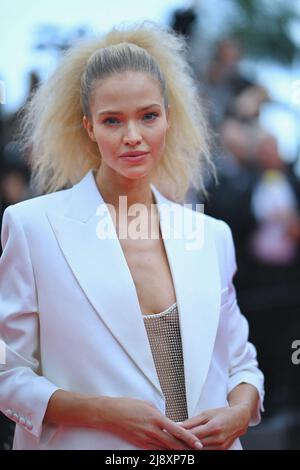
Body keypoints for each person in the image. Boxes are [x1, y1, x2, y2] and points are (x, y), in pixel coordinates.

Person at [0, 21, 264, 450]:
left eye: (148, 116)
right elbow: (7, 373)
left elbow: (241, 363)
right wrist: (104, 412)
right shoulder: (33, 228)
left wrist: (238, 414)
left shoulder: (210, 235)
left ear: (169, 118)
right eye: (112, 121)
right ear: (88, 127)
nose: (133, 137)